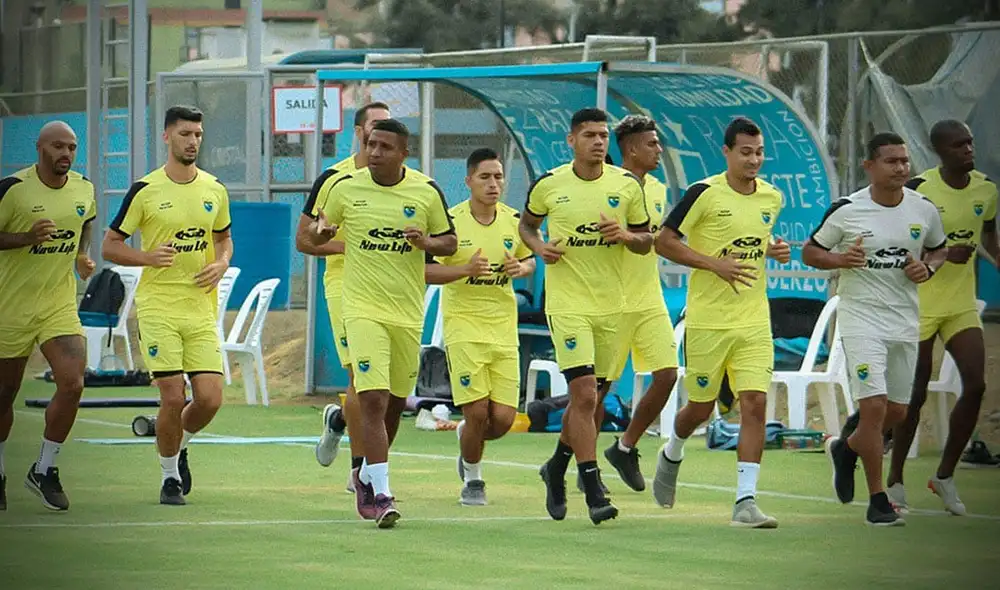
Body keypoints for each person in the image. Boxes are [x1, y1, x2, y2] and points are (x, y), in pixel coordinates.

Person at [303, 118, 456, 528]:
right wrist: (324, 231)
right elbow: (312, 236)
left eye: (385, 147)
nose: (375, 152)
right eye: (371, 144)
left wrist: (426, 243)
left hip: (406, 314)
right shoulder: (344, 187)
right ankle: (380, 490)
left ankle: (369, 471)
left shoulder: (425, 192)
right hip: (361, 308)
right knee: (370, 396)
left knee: (392, 404)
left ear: (404, 153)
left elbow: (450, 242)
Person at [804, 132, 947, 527]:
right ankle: (878, 501)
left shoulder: (923, 208)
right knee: (873, 408)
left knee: (898, 411)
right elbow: (810, 252)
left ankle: (846, 449)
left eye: (904, 160)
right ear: (869, 166)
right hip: (861, 319)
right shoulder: (848, 210)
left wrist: (928, 267)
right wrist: (840, 259)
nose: (901, 167)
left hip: (904, 320)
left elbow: (939, 247)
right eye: (891, 161)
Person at [519, 107, 652, 525]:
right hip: (568, 305)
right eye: (590, 135)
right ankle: (592, 486)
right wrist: (539, 250)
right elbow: (527, 227)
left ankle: (555, 467)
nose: (598, 142)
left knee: (594, 400)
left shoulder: (626, 185)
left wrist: (626, 235)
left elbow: (646, 241)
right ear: (572, 141)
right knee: (585, 397)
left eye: (603, 135)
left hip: (614, 306)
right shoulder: (549, 186)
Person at [654, 117, 788, 528]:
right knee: (699, 408)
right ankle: (672, 449)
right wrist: (714, 264)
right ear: (727, 152)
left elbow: (753, 238)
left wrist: (773, 248)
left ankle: (745, 501)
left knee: (755, 403)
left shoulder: (771, 197)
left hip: (753, 320)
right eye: (745, 152)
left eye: (759, 152)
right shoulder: (704, 193)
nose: (753, 160)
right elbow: (664, 240)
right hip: (708, 321)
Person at [103, 105, 234, 506]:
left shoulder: (214, 189)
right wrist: (147, 258)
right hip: (159, 307)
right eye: (184, 134)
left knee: (210, 398)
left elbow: (224, 239)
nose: (192, 141)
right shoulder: (145, 190)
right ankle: (169, 478)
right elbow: (110, 245)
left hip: (199, 309)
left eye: (197, 134)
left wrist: (222, 262)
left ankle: (179, 444)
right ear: (166, 137)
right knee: (173, 396)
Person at [883, 120, 997, 515]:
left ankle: (944, 476)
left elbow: (989, 237)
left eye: (970, 142)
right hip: (919, 304)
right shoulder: (919, 190)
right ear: (940, 152)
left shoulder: (986, 189)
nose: (968, 149)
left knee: (976, 385)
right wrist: (945, 254)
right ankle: (895, 481)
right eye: (958, 145)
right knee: (911, 396)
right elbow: (898, 241)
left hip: (960, 304)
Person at [425, 148, 535, 506]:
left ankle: (465, 439)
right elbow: (428, 270)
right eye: (485, 177)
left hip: (503, 329)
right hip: (464, 328)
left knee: (501, 420)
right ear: (469, 181)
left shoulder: (514, 221)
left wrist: (523, 268)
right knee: (476, 411)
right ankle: (473, 479)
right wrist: (464, 271)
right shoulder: (451, 224)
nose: (493, 184)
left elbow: (530, 256)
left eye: (499, 176)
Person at [0, 121, 96, 512]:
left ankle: (45, 468)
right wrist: (25, 238)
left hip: (57, 304)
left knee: (72, 383)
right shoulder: (12, 190)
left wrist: (80, 256)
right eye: (58, 146)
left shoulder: (84, 188)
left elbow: (84, 223)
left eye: (72, 147)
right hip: (11, 305)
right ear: (40, 148)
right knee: (5, 394)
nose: (66, 154)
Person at [296, 102, 391, 487]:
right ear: (358, 131)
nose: (381, 133)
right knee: (360, 376)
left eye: (388, 127)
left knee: (389, 388)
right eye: (374, 126)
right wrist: (343, 247)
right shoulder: (334, 179)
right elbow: (304, 240)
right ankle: (360, 469)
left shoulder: (407, 181)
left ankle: (338, 420)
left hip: (392, 290)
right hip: (347, 287)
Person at [598, 115, 679, 493]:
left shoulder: (660, 189)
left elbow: (662, 239)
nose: (659, 149)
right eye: (652, 144)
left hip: (648, 298)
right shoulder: (606, 185)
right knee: (597, 390)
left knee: (667, 376)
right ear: (631, 149)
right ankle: (580, 463)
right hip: (610, 302)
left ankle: (625, 446)